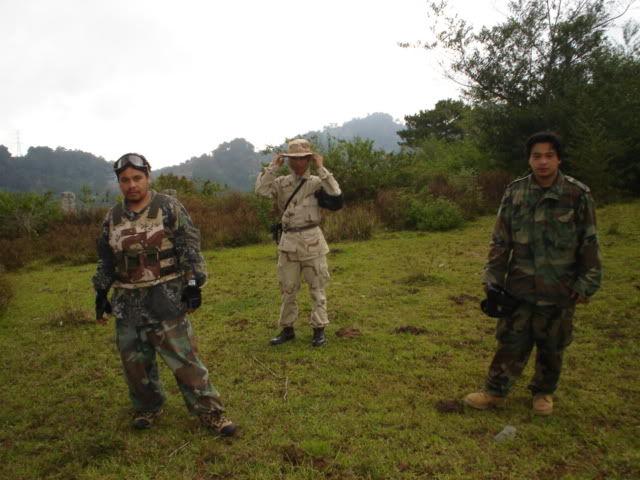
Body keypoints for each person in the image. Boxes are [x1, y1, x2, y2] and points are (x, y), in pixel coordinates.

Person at [92, 153, 236, 435]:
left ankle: (211, 413)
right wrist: (100, 292)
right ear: (119, 183)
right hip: (128, 303)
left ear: (148, 177)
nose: (132, 185)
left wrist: (194, 285)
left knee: (184, 361)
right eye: (125, 180)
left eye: (137, 178)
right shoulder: (113, 217)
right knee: (135, 363)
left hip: (166, 298)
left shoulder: (168, 207)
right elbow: (106, 259)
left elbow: (189, 246)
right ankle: (148, 406)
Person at [464, 132, 602, 416]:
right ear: (529, 159)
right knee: (511, 340)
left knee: (552, 343)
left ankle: (543, 392)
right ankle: (495, 391)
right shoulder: (515, 192)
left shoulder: (577, 194)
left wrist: (586, 282)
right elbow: (500, 240)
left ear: (558, 158)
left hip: (560, 286)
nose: (542, 162)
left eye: (549, 155)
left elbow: (589, 241)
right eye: (536, 156)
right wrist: (492, 280)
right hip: (520, 284)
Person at [255, 138, 343, 347]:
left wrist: (322, 168)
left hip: (312, 240)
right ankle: (287, 329)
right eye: (293, 159)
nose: (298, 163)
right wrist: (272, 168)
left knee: (317, 287)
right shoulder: (281, 183)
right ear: (288, 161)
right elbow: (261, 191)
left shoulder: (316, 182)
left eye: (303, 158)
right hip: (288, 242)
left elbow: (336, 194)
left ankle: (318, 329)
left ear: (309, 159)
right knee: (288, 288)